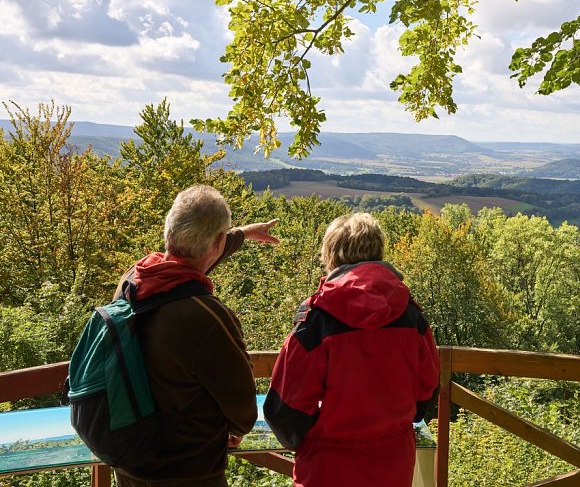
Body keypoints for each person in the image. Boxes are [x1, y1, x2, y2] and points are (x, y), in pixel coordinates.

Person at [113, 184, 279, 487]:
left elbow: (186, 265)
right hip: (188, 472)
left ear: (170, 230)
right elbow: (242, 411)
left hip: (130, 462)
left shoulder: (133, 282)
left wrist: (240, 235)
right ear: (216, 243)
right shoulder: (206, 317)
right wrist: (236, 428)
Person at [264, 212, 440, 487]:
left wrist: (306, 441)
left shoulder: (318, 320)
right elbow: (428, 387)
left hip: (327, 467)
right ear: (379, 252)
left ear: (331, 257)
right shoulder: (411, 316)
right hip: (392, 464)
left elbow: (285, 406)